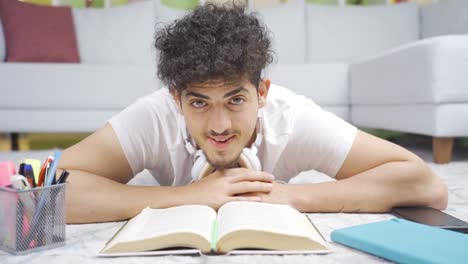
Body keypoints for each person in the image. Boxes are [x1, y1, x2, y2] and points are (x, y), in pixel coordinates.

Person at [59, 3, 447, 224]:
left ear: (262, 92)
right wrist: (187, 197)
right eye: (198, 103)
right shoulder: (153, 116)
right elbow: (45, 191)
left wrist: (295, 197)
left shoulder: (291, 118)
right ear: (175, 99)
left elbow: (426, 186)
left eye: (235, 100)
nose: (220, 126)